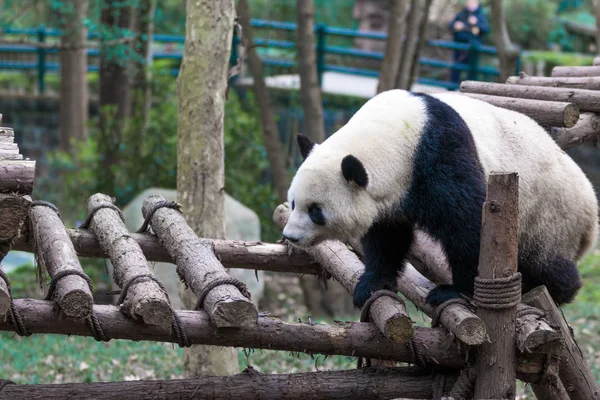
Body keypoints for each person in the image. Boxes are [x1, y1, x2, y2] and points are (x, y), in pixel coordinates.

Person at [448, 0, 489, 84]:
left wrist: (475, 23)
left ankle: (470, 89)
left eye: (472, 2)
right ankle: (451, 87)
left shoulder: (480, 16)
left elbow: (485, 30)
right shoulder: (461, 14)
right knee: (456, 69)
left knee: (471, 71)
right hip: (459, 47)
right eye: (468, 2)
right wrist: (455, 26)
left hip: (472, 49)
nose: (470, 4)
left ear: (477, 3)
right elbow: (451, 26)